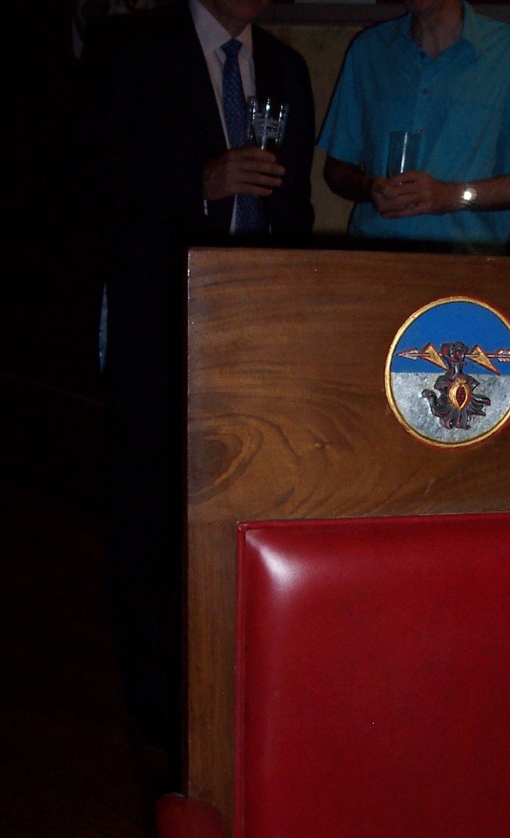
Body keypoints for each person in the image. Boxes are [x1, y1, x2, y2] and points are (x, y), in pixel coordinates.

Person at [73, 0, 315, 752]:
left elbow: (297, 206)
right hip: (157, 325)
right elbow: (88, 182)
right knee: (146, 523)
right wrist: (197, 183)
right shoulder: (130, 52)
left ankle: (230, 697)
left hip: (252, 330)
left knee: (240, 511)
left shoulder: (287, 68)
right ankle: (155, 715)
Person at [318, 0, 510, 254]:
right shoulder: (368, 49)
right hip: (372, 257)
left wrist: (453, 196)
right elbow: (337, 170)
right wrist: (370, 188)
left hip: (462, 263)